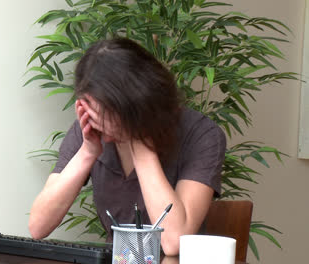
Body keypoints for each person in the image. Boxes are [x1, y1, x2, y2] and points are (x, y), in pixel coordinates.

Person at [28, 38, 226, 256]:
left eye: (109, 113)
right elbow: (38, 226)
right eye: (92, 110)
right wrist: (87, 152)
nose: (101, 123)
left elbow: (173, 243)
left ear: (140, 101)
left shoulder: (201, 134)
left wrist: (140, 144)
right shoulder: (89, 130)